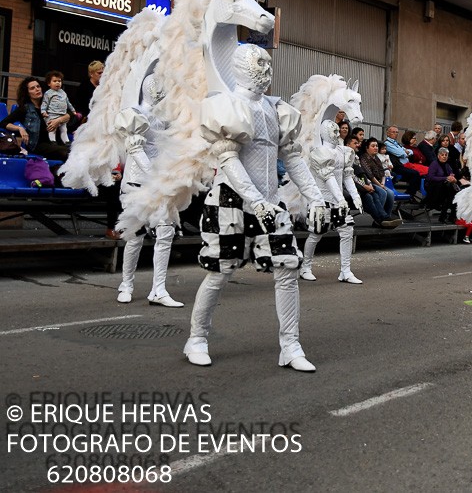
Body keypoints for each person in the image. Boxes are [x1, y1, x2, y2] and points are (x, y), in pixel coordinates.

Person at [185, 43, 332, 372]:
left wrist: (315, 196)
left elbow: (292, 157)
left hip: (270, 201)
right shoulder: (227, 106)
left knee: (287, 270)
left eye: (268, 63)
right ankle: (196, 337)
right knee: (220, 272)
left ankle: (290, 345)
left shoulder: (276, 109)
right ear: (240, 67)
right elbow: (228, 159)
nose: (266, 69)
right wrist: (255, 200)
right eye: (259, 63)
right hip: (231, 201)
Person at [115, 73, 183, 308]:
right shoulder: (135, 114)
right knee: (135, 237)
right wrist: (156, 176)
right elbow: (135, 150)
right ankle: (126, 284)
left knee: (166, 232)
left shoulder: (165, 117)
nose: (162, 92)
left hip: (159, 181)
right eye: (158, 88)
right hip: (137, 181)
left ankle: (159, 289)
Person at [301, 120, 364, 284]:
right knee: (316, 233)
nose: (337, 134)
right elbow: (328, 177)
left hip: (337, 201)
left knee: (347, 231)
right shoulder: (319, 152)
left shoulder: (344, 152)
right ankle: (305, 267)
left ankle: (345, 270)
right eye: (334, 131)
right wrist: (341, 198)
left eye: (338, 131)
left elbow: (347, 176)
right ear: (324, 133)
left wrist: (355, 195)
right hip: (321, 200)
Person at [1, 77, 71, 161]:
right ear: (27, 93)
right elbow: (4, 123)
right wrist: (20, 128)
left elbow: (69, 114)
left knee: (80, 151)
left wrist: (59, 120)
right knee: (67, 152)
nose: (37, 89)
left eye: (38, 86)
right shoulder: (25, 109)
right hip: (38, 145)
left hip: (57, 142)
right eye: (32, 88)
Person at [359, 137, 402, 227]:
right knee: (383, 192)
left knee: (390, 193)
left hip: (379, 182)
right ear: (367, 148)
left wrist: (382, 183)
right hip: (370, 182)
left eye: (377, 146)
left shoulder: (377, 158)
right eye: (373, 146)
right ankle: (379, 219)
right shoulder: (363, 158)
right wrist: (380, 185)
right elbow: (370, 175)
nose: (376, 148)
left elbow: (382, 172)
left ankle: (387, 218)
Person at [40, 71, 76, 145]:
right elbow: (45, 103)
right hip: (52, 115)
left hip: (62, 114)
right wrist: (43, 111)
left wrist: (73, 110)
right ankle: (52, 141)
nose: (57, 83)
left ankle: (66, 141)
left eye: (59, 81)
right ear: (49, 83)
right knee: (52, 129)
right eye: (54, 81)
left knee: (64, 129)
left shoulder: (63, 92)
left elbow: (68, 102)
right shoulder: (48, 93)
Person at [425, 147, 459, 222]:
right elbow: (430, 178)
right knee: (449, 192)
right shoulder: (434, 164)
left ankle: (447, 216)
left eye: (446, 155)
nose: (444, 156)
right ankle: (450, 216)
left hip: (445, 188)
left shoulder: (447, 165)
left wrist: (453, 179)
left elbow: (451, 175)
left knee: (452, 193)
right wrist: (445, 178)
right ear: (438, 156)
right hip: (434, 187)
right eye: (442, 155)